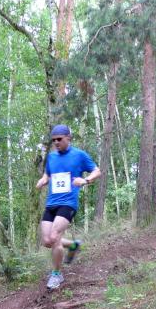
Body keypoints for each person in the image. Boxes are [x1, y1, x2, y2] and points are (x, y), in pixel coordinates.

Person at [35, 124, 101, 290]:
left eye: (59, 139)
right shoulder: (51, 157)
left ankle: (56, 274)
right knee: (47, 241)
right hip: (51, 203)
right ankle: (73, 245)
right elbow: (47, 174)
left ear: (68, 138)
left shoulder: (79, 155)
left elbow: (97, 171)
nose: (56, 142)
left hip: (68, 203)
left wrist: (85, 180)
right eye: (53, 140)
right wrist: (43, 180)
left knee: (55, 236)